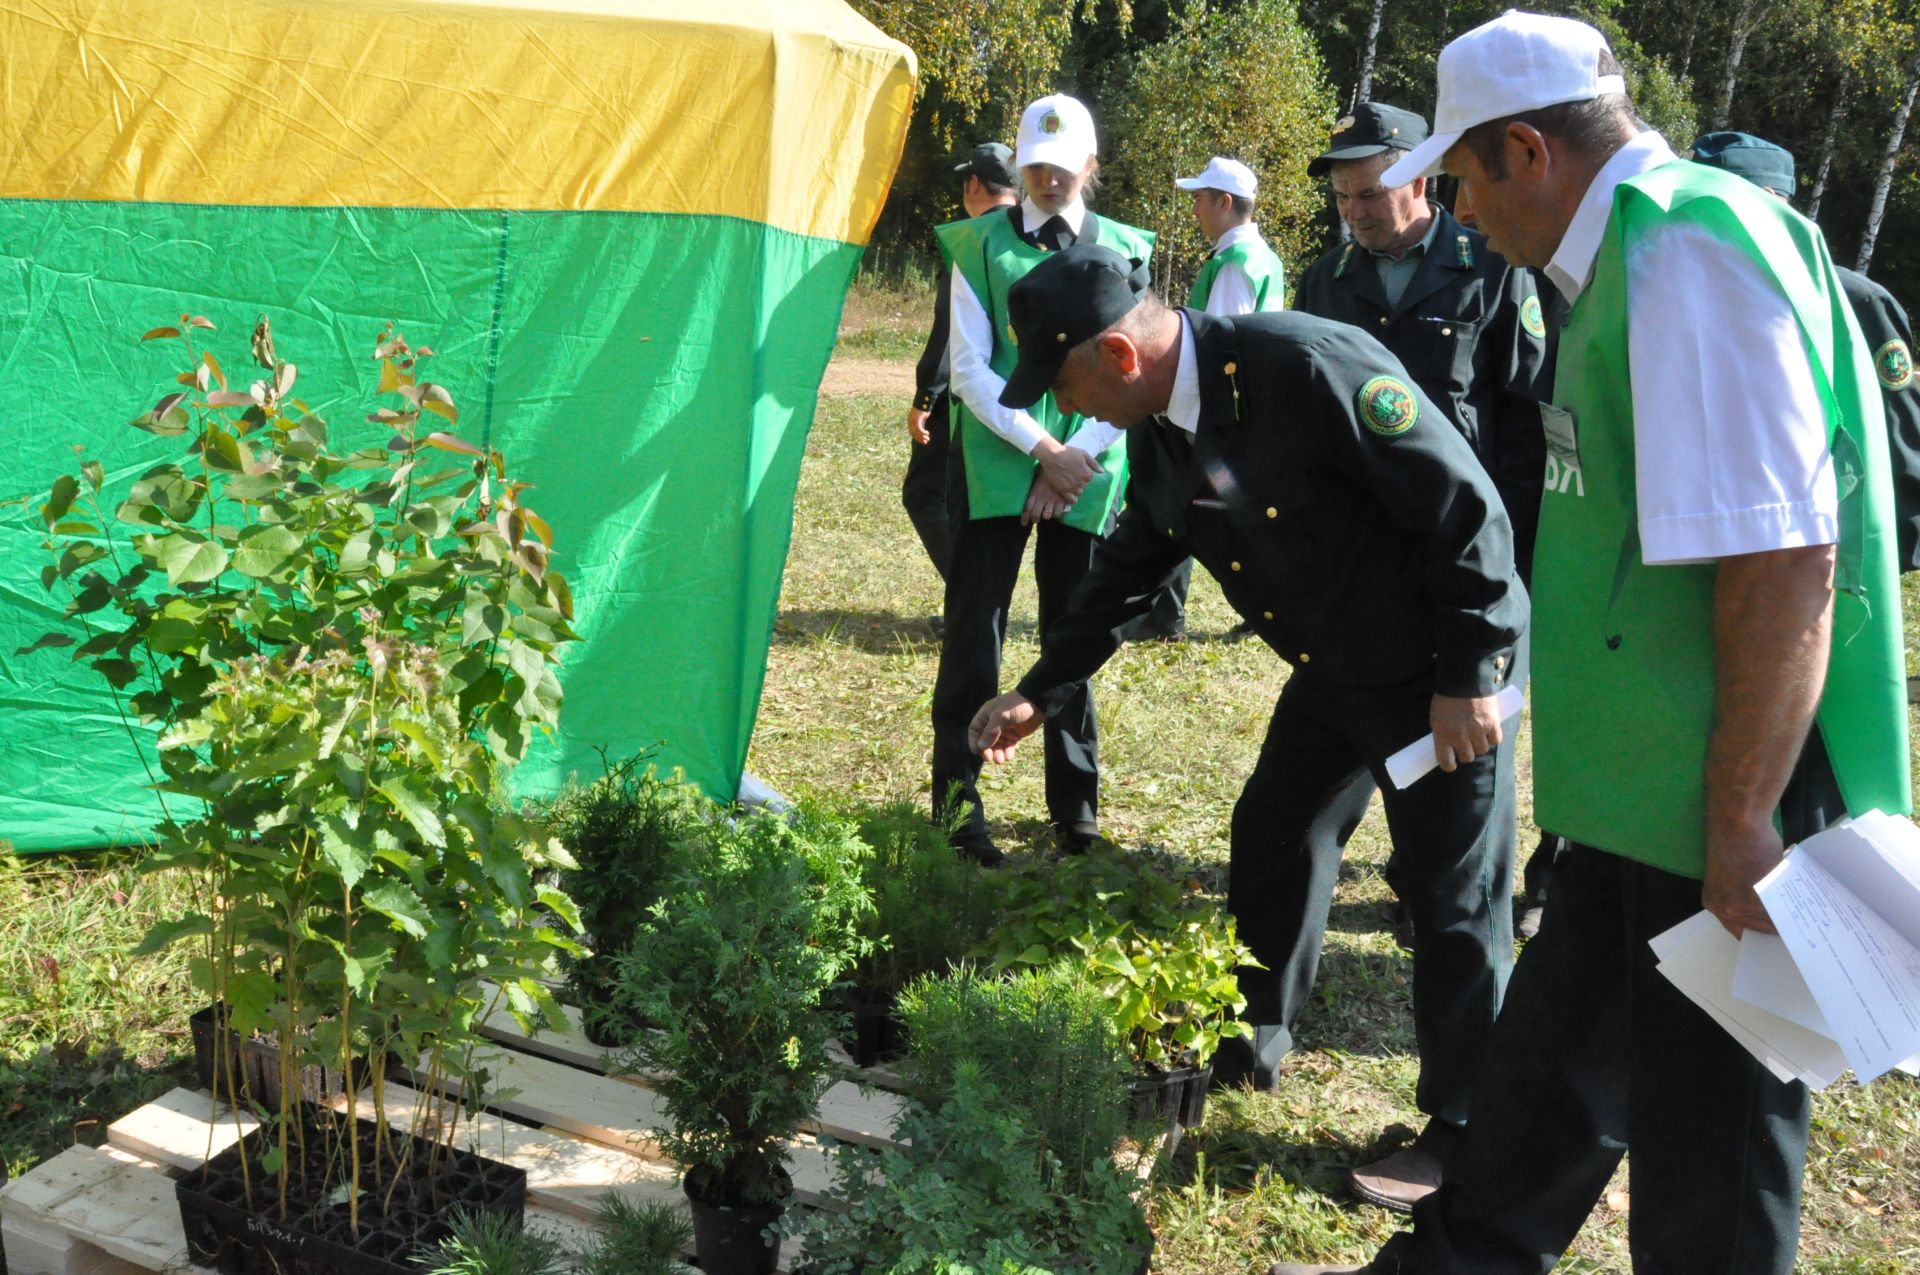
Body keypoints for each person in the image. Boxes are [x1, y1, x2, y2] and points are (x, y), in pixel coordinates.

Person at [1268, 13, 1910, 1275]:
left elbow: (1785, 558)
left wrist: (1741, 824)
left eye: (1460, 183)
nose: (1462, 217)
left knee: (1710, 1159)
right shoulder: (1627, 254)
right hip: (1644, 787)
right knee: (1548, 1085)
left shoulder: (1688, 253)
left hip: (1721, 803)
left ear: (1527, 151)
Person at [967, 244, 1527, 1213]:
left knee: (1454, 899)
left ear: (1117, 352)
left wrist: (1471, 672)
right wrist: (1040, 690)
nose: (1065, 411)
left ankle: (1470, 1133)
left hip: (1435, 674)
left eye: (1064, 384)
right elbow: (1131, 568)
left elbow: (1466, 509)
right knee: (1274, 831)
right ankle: (1251, 1041)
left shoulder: (1304, 365)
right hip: (1336, 672)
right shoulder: (1163, 433)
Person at [1294, 101, 1559, 948]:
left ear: (1423, 178)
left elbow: (1524, 426)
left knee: (1465, 755)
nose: (1358, 212)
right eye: (1344, 199)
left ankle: (1446, 892)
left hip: (1465, 558)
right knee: (1341, 750)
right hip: (1362, 569)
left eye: (1371, 192)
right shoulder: (1326, 281)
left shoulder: (1493, 267)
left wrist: (1508, 561)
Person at [929, 94, 1155, 865]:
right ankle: (959, 806)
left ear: (1091, 168)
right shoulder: (979, 246)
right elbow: (968, 368)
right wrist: (1041, 452)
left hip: (1090, 460)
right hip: (999, 458)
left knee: (1075, 630)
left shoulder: (1128, 247)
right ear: (1019, 168)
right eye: (1036, 168)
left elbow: (1137, 366)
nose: (1049, 180)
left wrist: (1075, 460)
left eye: (1063, 168)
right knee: (974, 635)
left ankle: (1076, 807)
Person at [1131, 156, 1290, 642]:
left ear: (1225, 202)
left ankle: (1243, 611)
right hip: (1236, 412)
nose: (1195, 209)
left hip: (1217, 413)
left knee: (1200, 509)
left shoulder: (1236, 264)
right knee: (1199, 507)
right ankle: (1174, 614)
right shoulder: (1255, 256)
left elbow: (1221, 342)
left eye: (1201, 199)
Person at [905, 142, 1018, 598]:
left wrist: (924, 399)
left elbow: (949, 332)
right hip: (1016, 393)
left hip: (964, 394)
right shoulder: (1029, 235)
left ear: (974, 184)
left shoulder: (970, 240)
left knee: (927, 495)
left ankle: (971, 601)